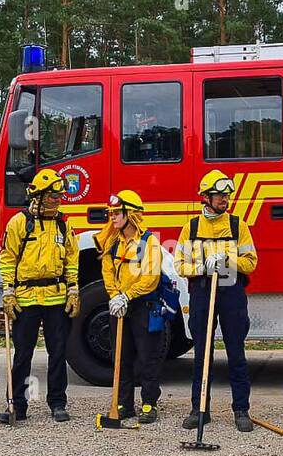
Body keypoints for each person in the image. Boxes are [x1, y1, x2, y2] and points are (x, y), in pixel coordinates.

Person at [175, 169, 258, 432]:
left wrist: (227, 261)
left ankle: (241, 410)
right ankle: (199, 409)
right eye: (220, 195)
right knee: (202, 353)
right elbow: (179, 264)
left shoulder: (237, 225)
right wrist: (202, 266)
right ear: (205, 197)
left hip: (231, 291)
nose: (225, 199)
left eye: (227, 195)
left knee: (236, 352)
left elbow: (251, 262)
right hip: (202, 291)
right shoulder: (191, 228)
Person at [0, 168, 79, 423]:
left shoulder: (64, 224)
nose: (58, 199)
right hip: (26, 298)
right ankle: (17, 406)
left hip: (56, 298)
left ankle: (57, 403)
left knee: (58, 352)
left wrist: (73, 289)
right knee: (23, 355)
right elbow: (8, 259)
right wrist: (8, 292)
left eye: (59, 196)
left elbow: (72, 259)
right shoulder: (20, 223)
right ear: (39, 196)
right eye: (53, 196)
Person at [97, 189, 166, 423]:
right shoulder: (112, 243)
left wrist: (126, 295)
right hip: (120, 307)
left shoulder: (149, 242)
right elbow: (107, 271)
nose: (113, 217)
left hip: (143, 306)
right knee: (121, 357)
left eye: (117, 213)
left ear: (131, 214)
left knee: (147, 357)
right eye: (111, 213)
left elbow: (150, 278)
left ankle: (149, 404)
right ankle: (123, 404)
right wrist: (115, 296)